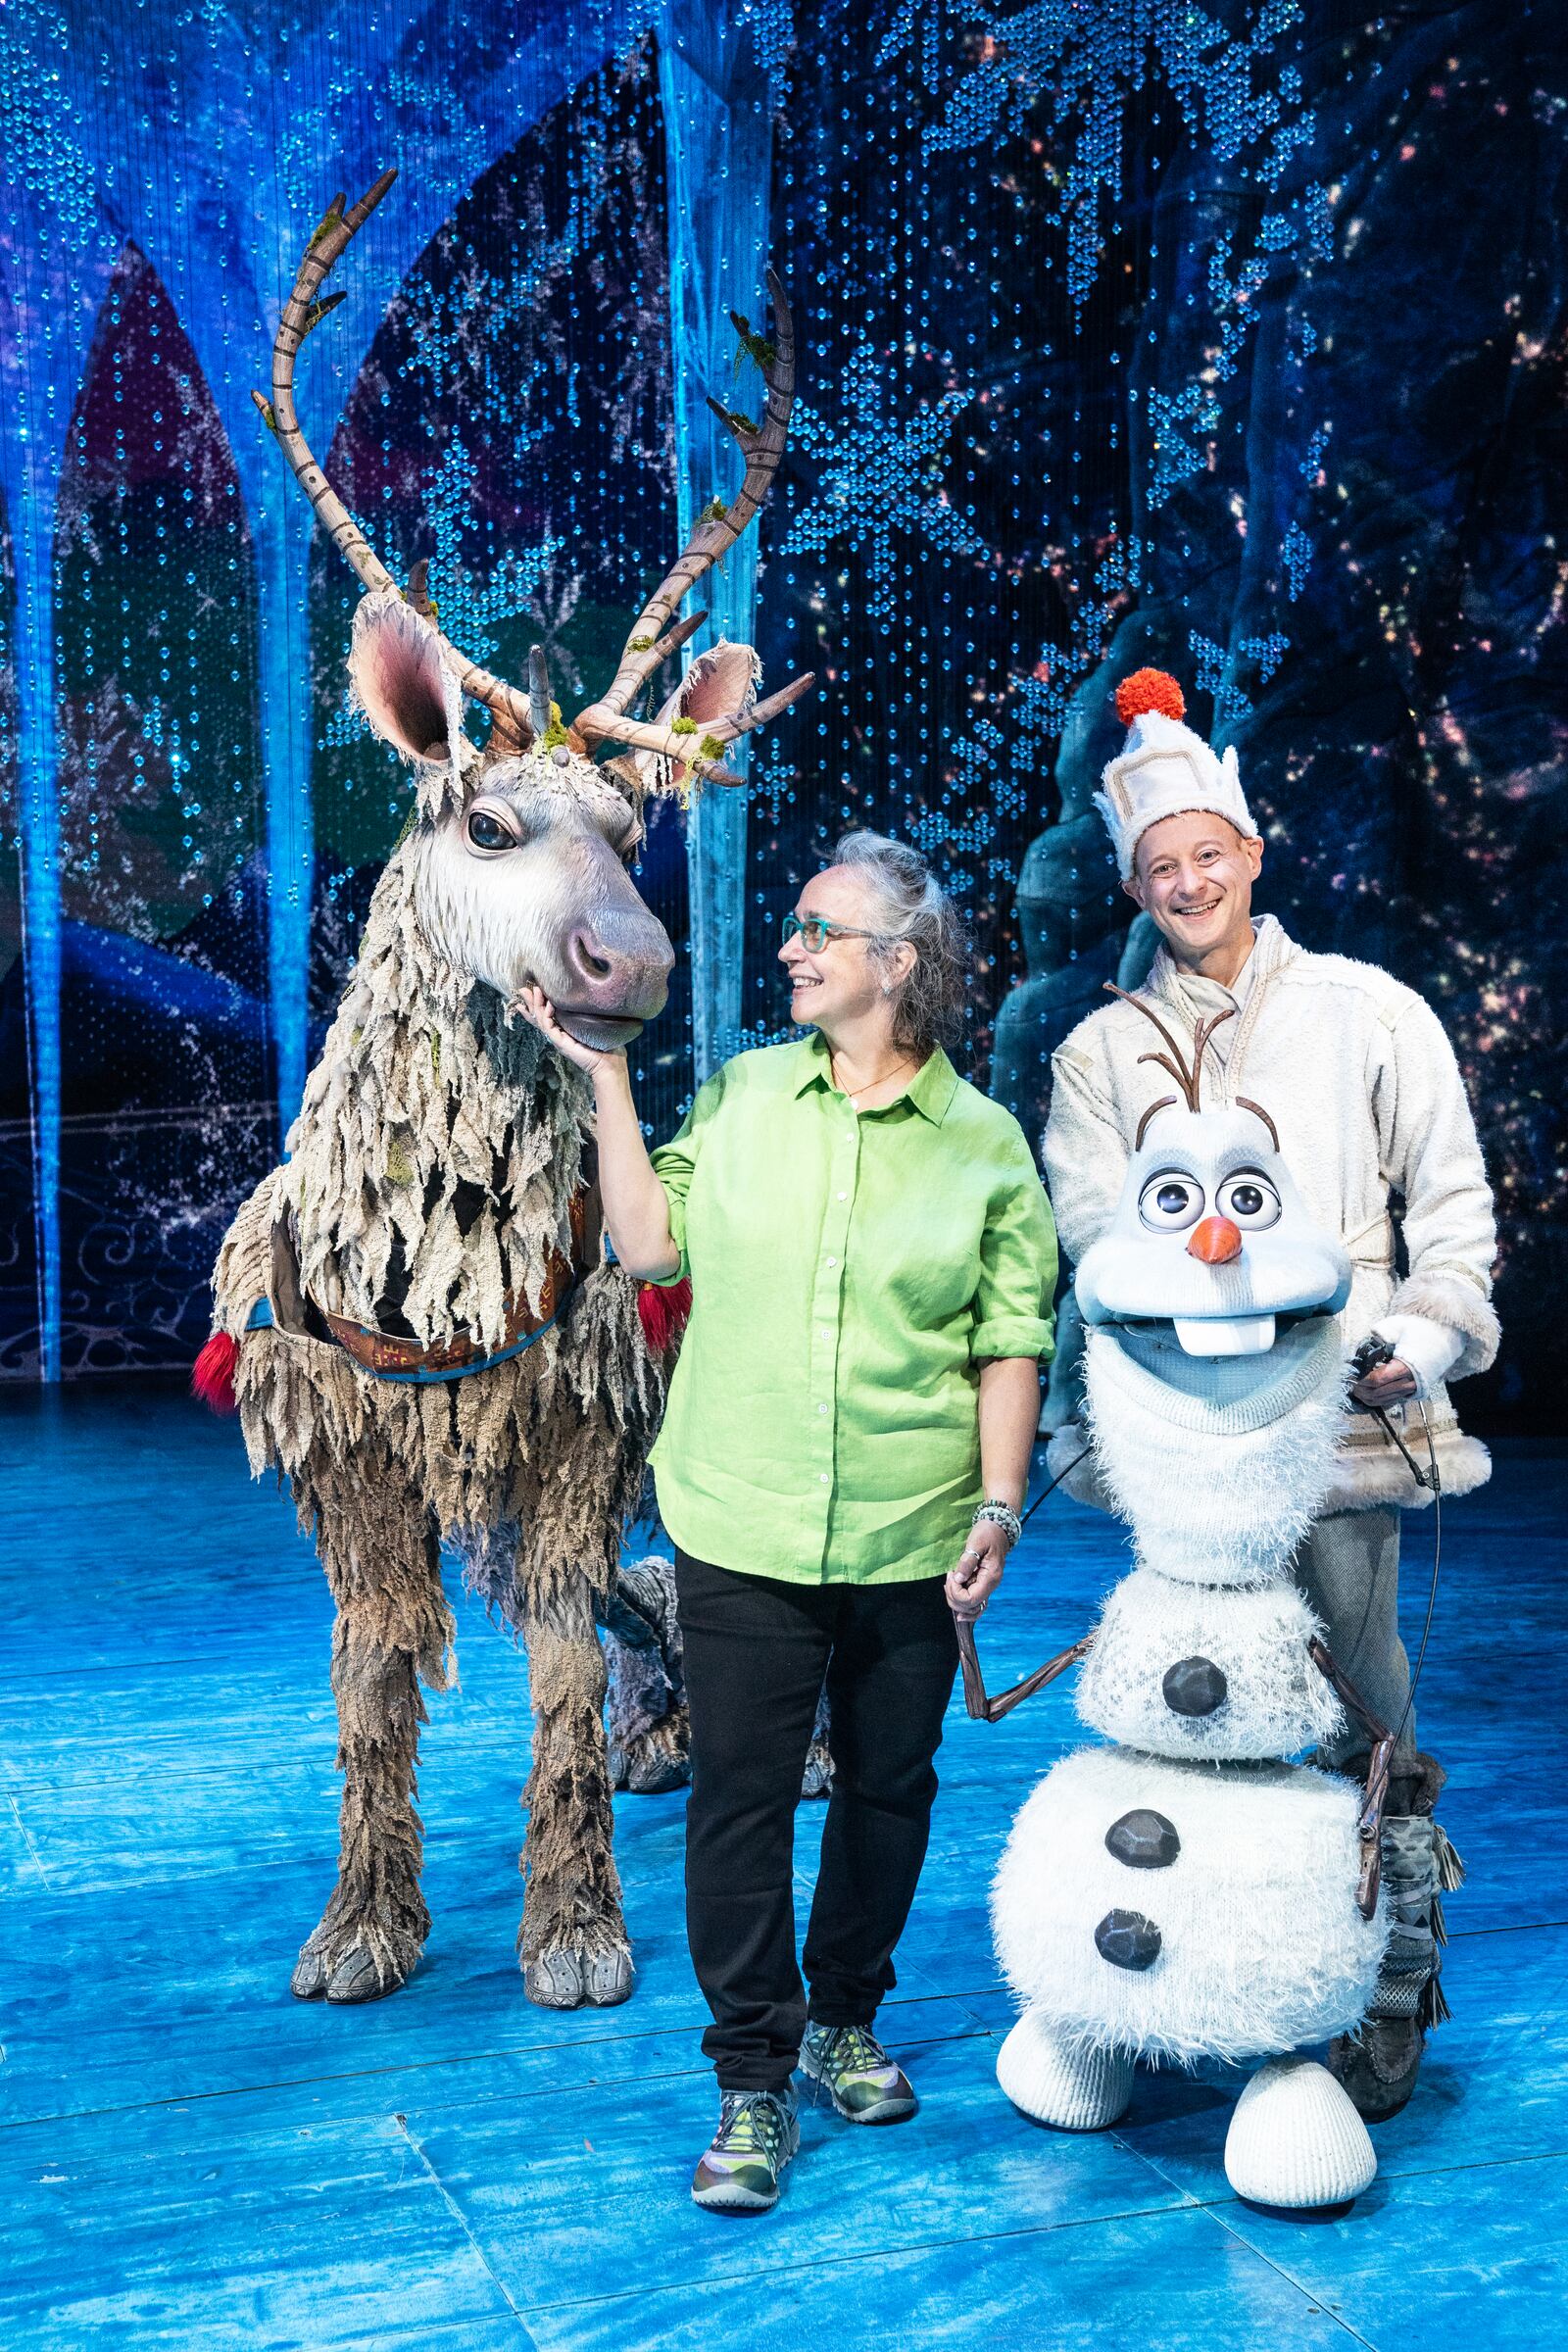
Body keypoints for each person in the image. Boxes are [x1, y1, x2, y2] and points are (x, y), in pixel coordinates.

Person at [519, 828, 1055, 2213]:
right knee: (740, 1805)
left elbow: (1010, 1341)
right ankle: (753, 2082)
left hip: (912, 1528)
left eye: (822, 929)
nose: (793, 947)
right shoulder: (751, 1093)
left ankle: (843, 2019)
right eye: (797, 926)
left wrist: (998, 1505)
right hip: (739, 1518)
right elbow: (650, 1247)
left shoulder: (986, 1147)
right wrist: (608, 1076)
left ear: (899, 963)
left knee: (888, 1789)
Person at [1044, 668, 1498, 2123]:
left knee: (1366, 1723)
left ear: (1251, 852)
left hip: (1348, 1449)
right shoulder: (1101, 1055)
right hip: (1193, 1468)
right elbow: (1103, 1247)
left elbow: (1455, 1213)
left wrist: (1418, 1342)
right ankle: (1191, 1981)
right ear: (1135, 881)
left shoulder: (1373, 1015)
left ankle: (1385, 1987)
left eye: (1206, 853)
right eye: (1158, 866)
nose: (1187, 882)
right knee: (1195, 1723)